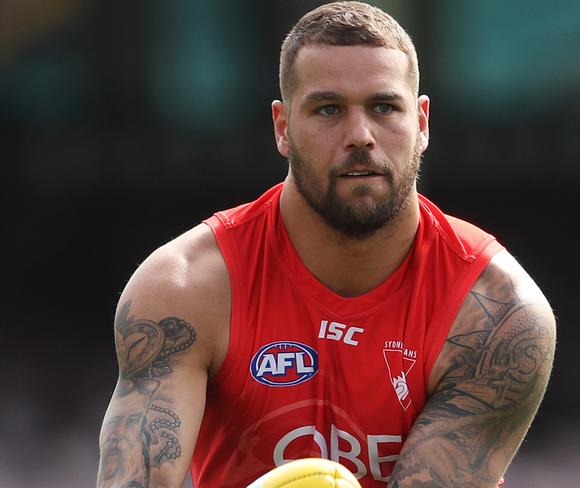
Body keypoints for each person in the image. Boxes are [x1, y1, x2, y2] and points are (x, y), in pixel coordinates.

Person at [97, 2, 556, 487]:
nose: (359, 136)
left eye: (383, 107)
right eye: (328, 109)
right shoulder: (184, 290)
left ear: (421, 122)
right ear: (282, 127)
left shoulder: (497, 314)